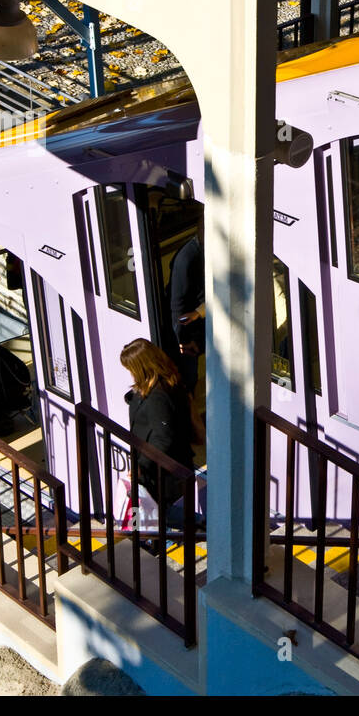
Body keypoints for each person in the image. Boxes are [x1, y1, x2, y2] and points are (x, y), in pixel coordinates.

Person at [119, 338, 201, 541]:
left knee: (154, 509)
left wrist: (141, 466)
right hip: (161, 466)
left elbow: (163, 437)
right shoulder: (164, 383)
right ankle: (193, 527)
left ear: (141, 367)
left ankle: (200, 527)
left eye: (131, 368)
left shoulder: (158, 396)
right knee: (154, 509)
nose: (130, 373)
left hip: (160, 469)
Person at [169, 232, 204, 396]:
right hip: (189, 331)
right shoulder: (187, 260)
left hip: (197, 323)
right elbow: (178, 309)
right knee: (188, 378)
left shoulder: (199, 253)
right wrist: (184, 340)